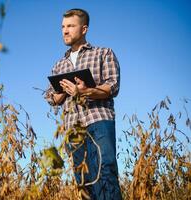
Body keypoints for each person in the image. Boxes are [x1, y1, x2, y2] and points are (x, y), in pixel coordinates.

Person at [45, 8, 122, 200]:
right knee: (83, 178)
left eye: (70, 26)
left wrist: (84, 91)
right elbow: (51, 98)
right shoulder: (59, 65)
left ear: (84, 29)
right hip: (73, 127)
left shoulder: (103, 53)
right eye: (63, 26)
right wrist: (61, 92)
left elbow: (112, 86)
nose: (65, 31)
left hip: (98, 120)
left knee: (106, 169)